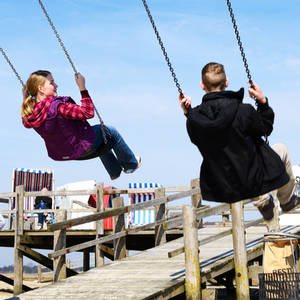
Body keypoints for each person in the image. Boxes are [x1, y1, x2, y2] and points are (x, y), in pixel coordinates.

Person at [179, 62, 299, 228]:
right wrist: (262, 101)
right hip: (251, 178)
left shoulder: (196, 120)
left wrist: (189, 113)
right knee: (281, 150)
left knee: (247, 161)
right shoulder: (244, 111)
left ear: (202, 85)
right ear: (226, 82)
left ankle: (264, 201)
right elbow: (266, 129)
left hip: (221, 184)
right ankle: (286, 200)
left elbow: (197, 136)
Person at [21, 71, 141, 180]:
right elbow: (87, 112)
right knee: (109, 131)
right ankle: (131, 164)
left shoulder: (32, 114)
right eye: (52, 82)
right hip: (81, 148)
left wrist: (25, 97)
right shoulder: (58, 107)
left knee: (96, 136)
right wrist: (82, 88)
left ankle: (114, 171)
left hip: (63, 154)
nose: (56, 85)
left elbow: (26, 120)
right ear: (41, 89)